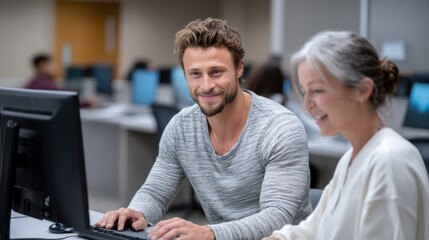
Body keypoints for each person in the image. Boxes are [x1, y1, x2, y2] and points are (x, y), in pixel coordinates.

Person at [96, 18, 312, 240]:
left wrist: (210, 233)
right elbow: (155, 192)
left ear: (239, 68)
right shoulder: (181, 127)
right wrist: (137, 212)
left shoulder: (280, 128)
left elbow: (277, 217)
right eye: (195, 74)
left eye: (216, 72)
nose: (206, 85)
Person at [263, 31, 429, 240]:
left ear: (362, 90)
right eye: (305, 92)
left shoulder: (389, 161)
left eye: (318, 90)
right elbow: (316, 229)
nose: (307, 105)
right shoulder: (351, 159)